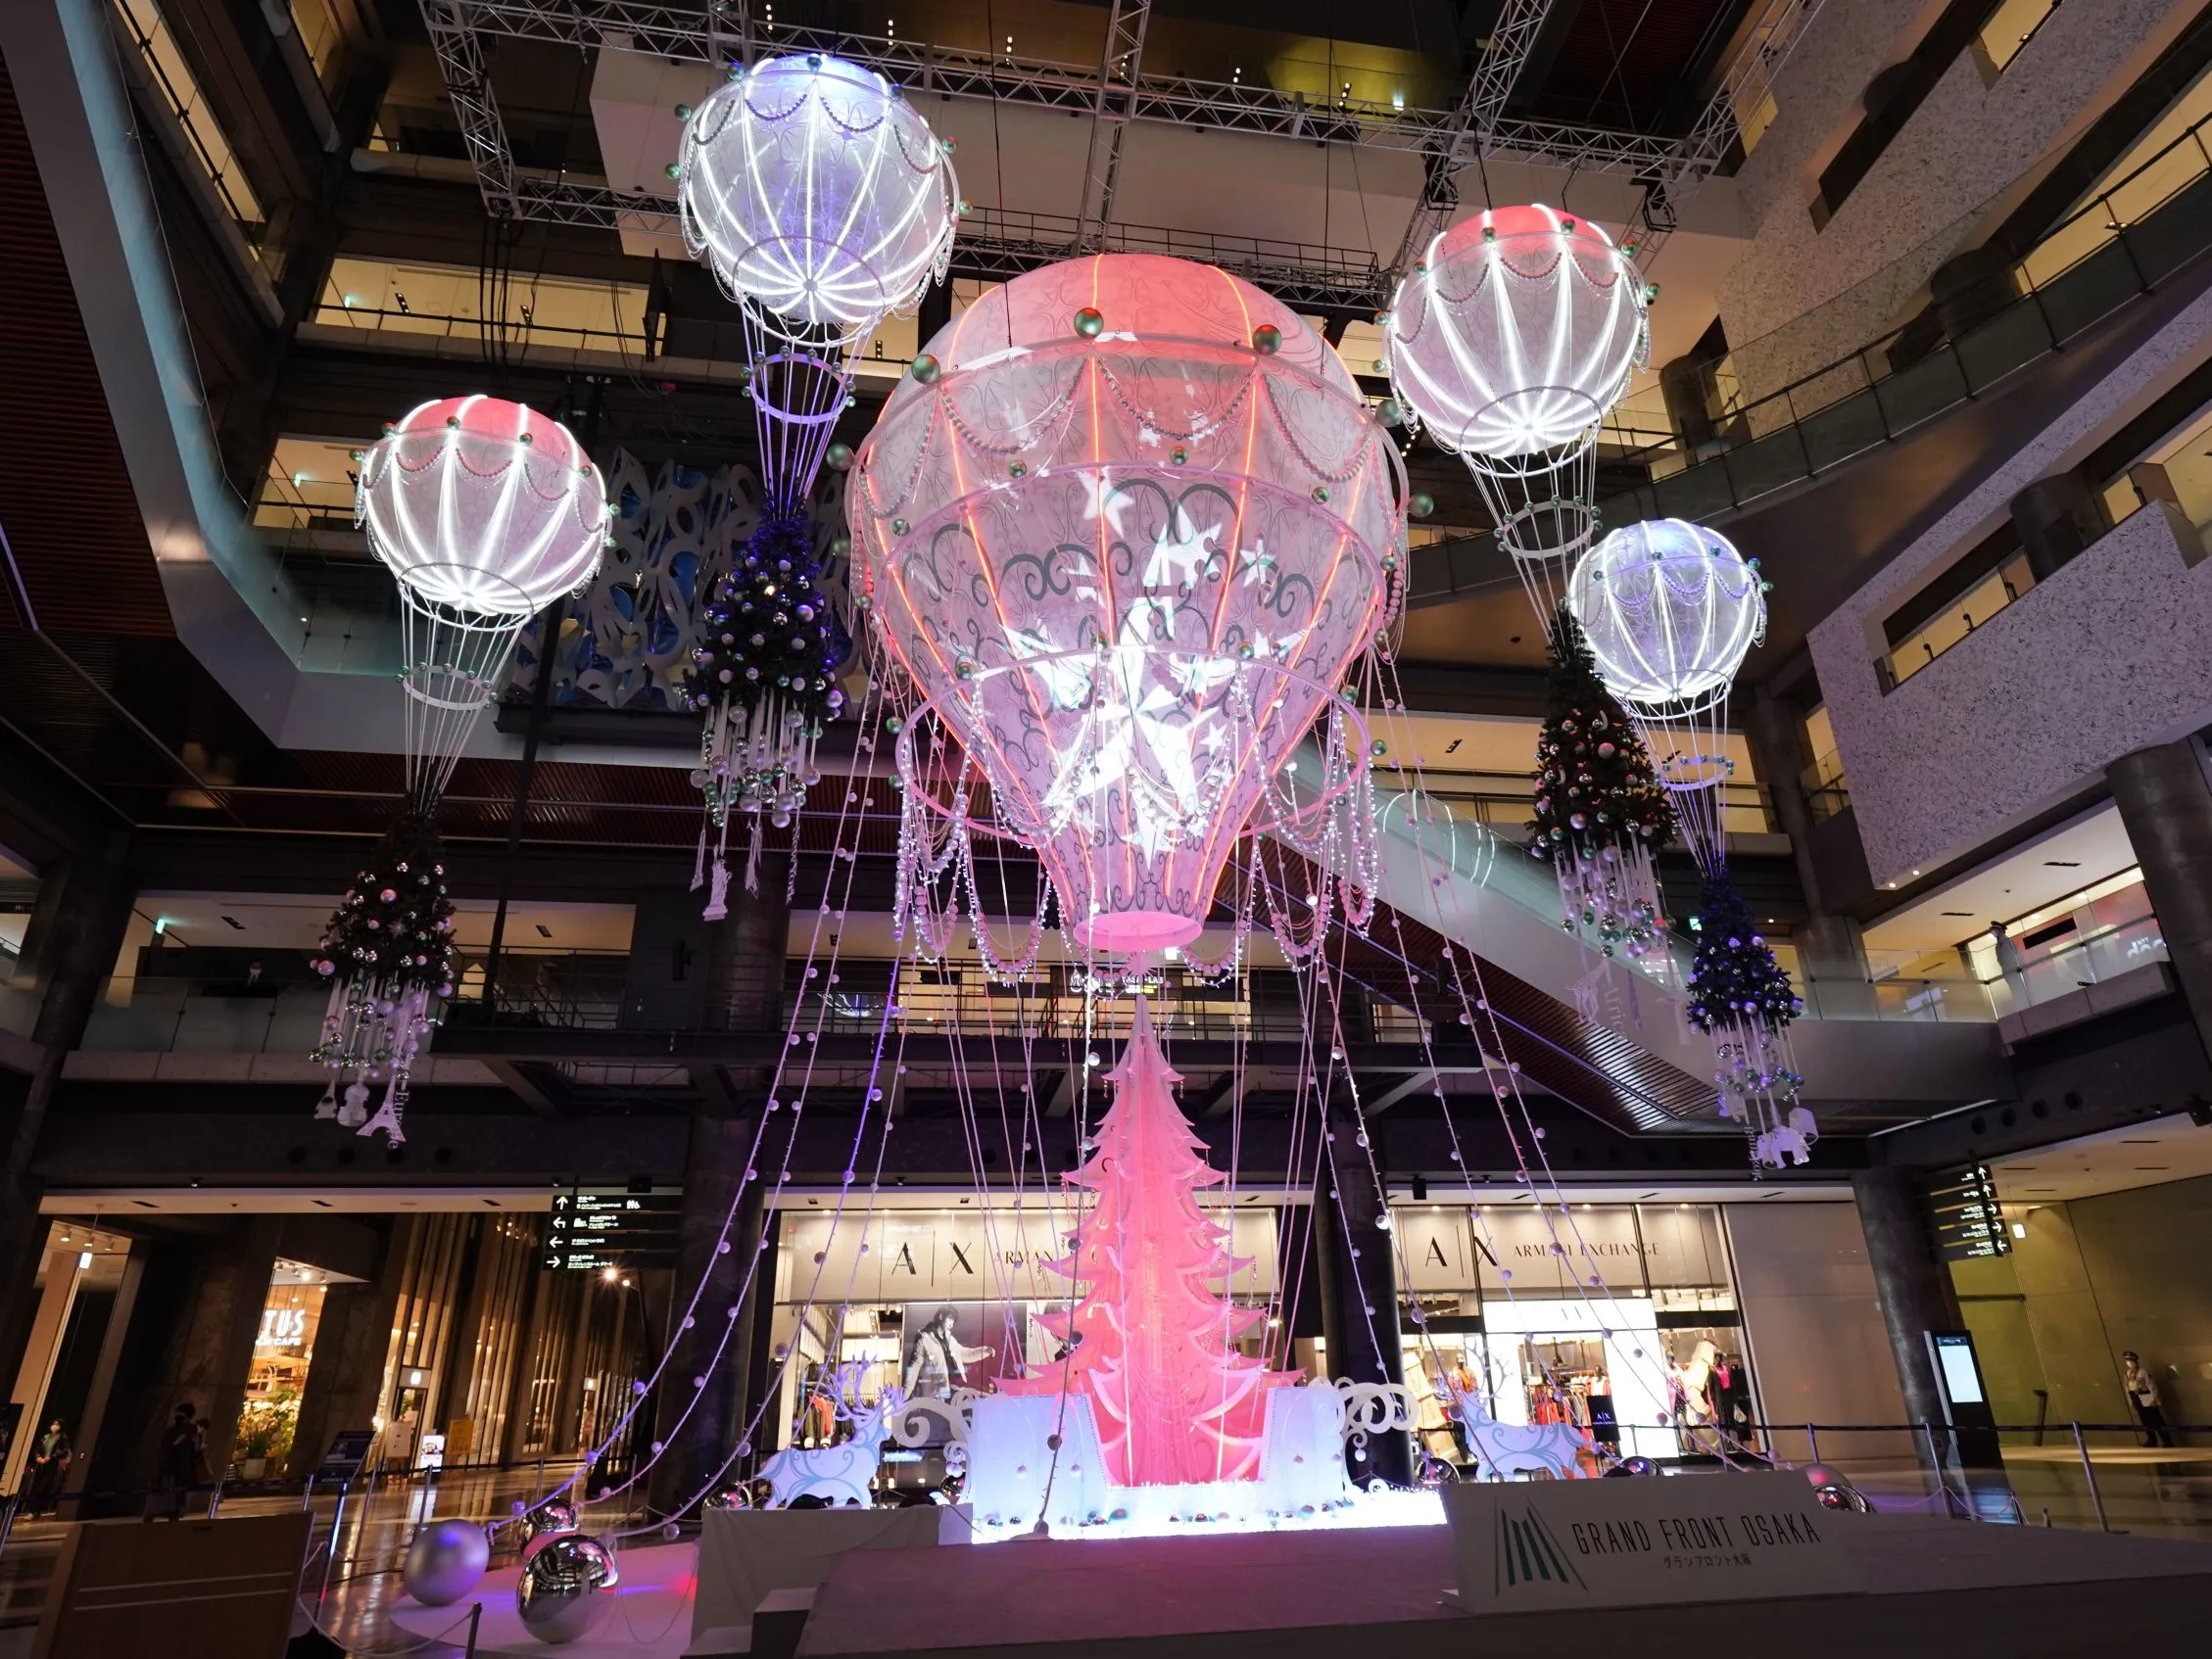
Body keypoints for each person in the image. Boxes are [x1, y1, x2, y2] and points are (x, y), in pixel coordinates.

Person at [903, 1307, 992, 1400]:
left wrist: (985, 1351)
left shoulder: (950, 1340)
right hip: (934, 1393)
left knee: (982, 1398)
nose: (952, 1324)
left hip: (950, 1388)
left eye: (953, 1321)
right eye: (950, 1319)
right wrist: (903, 1398)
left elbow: (965, 1354)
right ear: (941, 1317)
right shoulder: (925, 1340)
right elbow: (914, 1368)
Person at [150, 1402, 202, 1519]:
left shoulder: (174, 1432)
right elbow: (195, 1451)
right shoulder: (192, 1432)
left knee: (170, 1495)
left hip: (172, 1468)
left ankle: (167, 1514)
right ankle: (174, 1515)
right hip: (180, 1469)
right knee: (177, 1497)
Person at [2123, 1351, 2175, 1447]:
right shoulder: (2127, 1373)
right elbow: (2128, 1389)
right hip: (2136, 1398)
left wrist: (2154, 1399)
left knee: (2156, 1419)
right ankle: (2152, 1439)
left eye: (2131, 1360)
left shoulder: (2143, 1371)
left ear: (2135, 1361)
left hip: (2147, 1397)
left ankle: (2167, 1441)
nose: (2129, 1362)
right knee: (2145, 1420)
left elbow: (2152, 1386)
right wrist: (2131, 1402)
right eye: (2127, 1361)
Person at [25, 1420, 70, 1515]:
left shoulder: (62, 1437)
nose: (55, 1426)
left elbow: (64, 1450)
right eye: (54, 1424)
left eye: (57, 1424)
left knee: (44, 1487)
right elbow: (38, 1448)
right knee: (34, 1486)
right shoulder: (46, 1436)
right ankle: (31, 1509)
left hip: (51, 1464)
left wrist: (51, 1457)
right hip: (40, 1464)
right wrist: (38, 1457)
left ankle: (37, 1510)